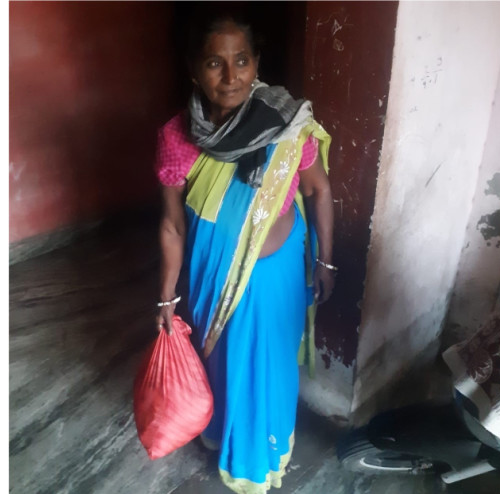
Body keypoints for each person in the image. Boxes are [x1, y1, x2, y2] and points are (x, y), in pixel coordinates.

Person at [154, 14, 335, 493]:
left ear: (257, 65)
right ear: (195, 69)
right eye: (215, 63)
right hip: (213, 274)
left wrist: (325, 260)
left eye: (241, 61)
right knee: (223, 362)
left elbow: (319, 192)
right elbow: (173, 223)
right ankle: (220, 434)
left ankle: (261, 457)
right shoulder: (177, 136)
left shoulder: (289, 126)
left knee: (268, 367)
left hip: (276, 278)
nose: (230, 76)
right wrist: (166, 296)